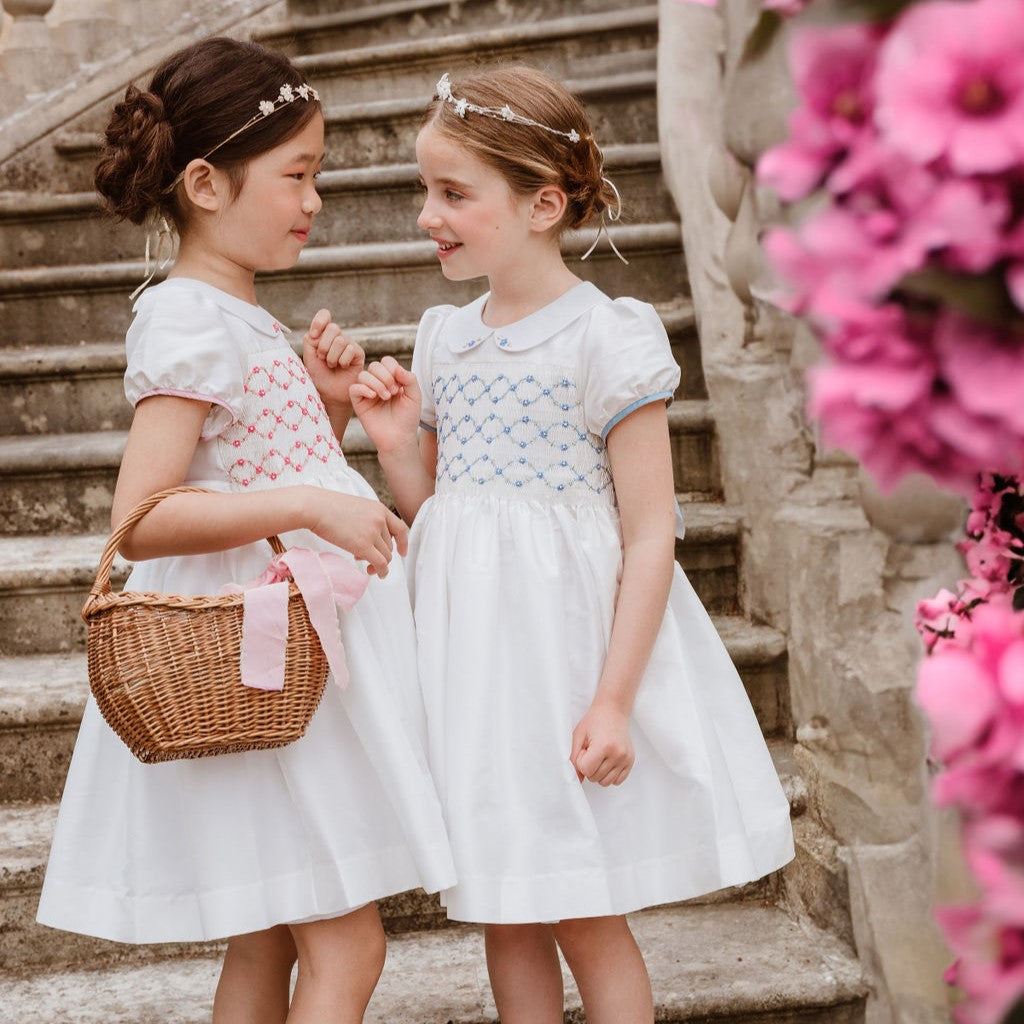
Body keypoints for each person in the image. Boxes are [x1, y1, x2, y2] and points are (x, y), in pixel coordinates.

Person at [350, 66, 796, 1024]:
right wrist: (394, 449)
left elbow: (648, 535)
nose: (428, 214)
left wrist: (613, 700)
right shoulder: (443, 337)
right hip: (474, 667)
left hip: (566, 658)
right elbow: (444, 516)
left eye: (454, 193)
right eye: (425, 190)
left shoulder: (609, 337)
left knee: (585, 912)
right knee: (505, 910)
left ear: (544, 204)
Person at [36, 37, 455, 1024]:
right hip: (254, 662)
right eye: (297, 174)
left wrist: (327, 408)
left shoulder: (237, 315)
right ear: (205, 184)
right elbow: (141, 518)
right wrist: (314, 503)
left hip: (288, 672)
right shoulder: (186, 318)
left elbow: (253, 463)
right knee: (347, 942)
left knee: (267, 933)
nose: (315, 201)